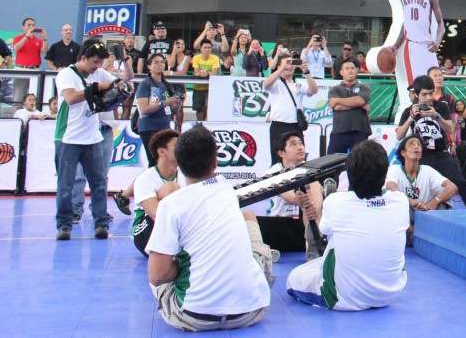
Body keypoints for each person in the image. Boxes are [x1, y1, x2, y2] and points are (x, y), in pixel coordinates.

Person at [146, 126, 273, 331]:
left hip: (193, 317)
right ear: (216, 162)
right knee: (248, 218)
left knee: (158, 271)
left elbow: (157, 275)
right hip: (251, 311)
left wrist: (180, 267)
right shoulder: (228, 192)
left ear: (178, 163)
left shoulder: (171, 205)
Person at [287, 140, 410, 310]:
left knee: (293, 278)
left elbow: (323, 230)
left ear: (350, 174)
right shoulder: (400, 201)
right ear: (385, 173)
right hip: (389, 294)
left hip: (343, 298)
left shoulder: (336, 201)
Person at [54, 41, 121, 240]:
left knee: (99, 183)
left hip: (92, 138)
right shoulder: (66, 74)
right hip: (68, 137)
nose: (97, 66)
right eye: (94, 62)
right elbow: (71, 98)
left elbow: (117, 82)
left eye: (100, 62)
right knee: (65, 185)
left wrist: (118, 83)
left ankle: (101, 223)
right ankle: (64, 225)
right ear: (82, 58)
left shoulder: (98, 72)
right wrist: (96, 89)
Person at [395, 75, 466, 209]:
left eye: (430, 93)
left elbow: (451, 128)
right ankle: (415, 214)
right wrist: (411, 118)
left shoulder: (441, 106)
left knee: (460, 183)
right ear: (416, 94)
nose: (428, 97)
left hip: (441, 153)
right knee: (416, 187)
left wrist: (436, 116)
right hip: (421, 156)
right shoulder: (408, 110)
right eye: (424, 94)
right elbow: (399, 135)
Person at [256, 132, 323, 257]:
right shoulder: (274, 172)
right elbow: (292, 198)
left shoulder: (308, 169)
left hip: (303, 229)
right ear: (282, 153)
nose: (300, 147)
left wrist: (311, 202)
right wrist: (304, 197)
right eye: (293, 144)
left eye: (301, 143)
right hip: (280, 228)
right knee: (309, 193)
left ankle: (313, 244)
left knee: (313, 185)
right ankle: (315, 244)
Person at [386, 134, 459, 238]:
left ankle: (420, 234)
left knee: (445, 206)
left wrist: (434, 202)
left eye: (419, 145)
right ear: (403, 153)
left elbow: (452, 187)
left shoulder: (427, 170)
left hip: (424, 214)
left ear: (421, 154)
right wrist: (410, 201)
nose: (416, 146)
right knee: (394, 207)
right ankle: (416, 233)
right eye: (412, 144)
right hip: (405, 214)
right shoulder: (395, 169)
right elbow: (390, 187)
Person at [390, 0, 446, 84]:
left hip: (428, 45)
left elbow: (441, 23)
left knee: (434, 83)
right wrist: (396, 45)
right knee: (416, 86)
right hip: (412, 46)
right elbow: (406, 23)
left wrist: (437, 41)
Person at [129, 129, 184, 257]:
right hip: (145, 229)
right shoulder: (145, 178)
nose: (183, 149)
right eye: (177, 146)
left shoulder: (185, 174)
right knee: (171, 188)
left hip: (173, 225)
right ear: (162, 152)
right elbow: (156, 214)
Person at [263, 53, 317, 162]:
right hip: (279, 125)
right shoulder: (276, 83)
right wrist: (282, 68)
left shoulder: (298, 83)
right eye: (287, 63)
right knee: (278, 159)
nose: (290, 66)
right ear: (279, 66)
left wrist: (306, 72)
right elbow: (266, 84)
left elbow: (313, 90)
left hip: (296, 126)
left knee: (299, 158)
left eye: (291, 63)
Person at [133, 54, 185, 163]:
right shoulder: (145, 84)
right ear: (149, 66)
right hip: (149, 128)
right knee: (154, 161)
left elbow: (173, 111)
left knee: (164, 160)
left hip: (164, 127)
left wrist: (178, 102)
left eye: (162, 62)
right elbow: (144, 109)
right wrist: (164, 103)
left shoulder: (166, 85)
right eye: (156, 62)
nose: (160, 64)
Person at [327, 60, 372, 154]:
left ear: (356, 71)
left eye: (352, 68)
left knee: (360, 163)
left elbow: (360, 100)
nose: (350, 70)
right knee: (332, 164)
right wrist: (359, 105)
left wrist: (338, 100)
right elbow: (335, 107)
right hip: (339, 131)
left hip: (360, 131)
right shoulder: (334, 89)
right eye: (347, 68)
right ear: (341, 72)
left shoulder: (364, 87)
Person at [11, 17, 46, 108]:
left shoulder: (38, 40)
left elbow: (44, 51)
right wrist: (26, 37)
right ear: (23, 27)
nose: (31, 27)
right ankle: (17, 118)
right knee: (18, 97)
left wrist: (44, 38)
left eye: (33, 25)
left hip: (35, 70)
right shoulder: (18, 38)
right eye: (29, 25)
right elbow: (16, 48)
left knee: (33, 97)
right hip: (21, 69)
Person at [189, 39, 221, 121]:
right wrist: (203, 73)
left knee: (208, 108)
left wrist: (206, 73)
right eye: (205, 47)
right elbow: (196, 72)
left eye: (209, 47)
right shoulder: (196, 57)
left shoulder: (215, 58)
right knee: (199, 109)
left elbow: (214, 73)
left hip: (210, 89)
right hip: (198, 88)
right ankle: (200, 125)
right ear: (201, 48)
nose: (207, 49)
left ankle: (206, 126)